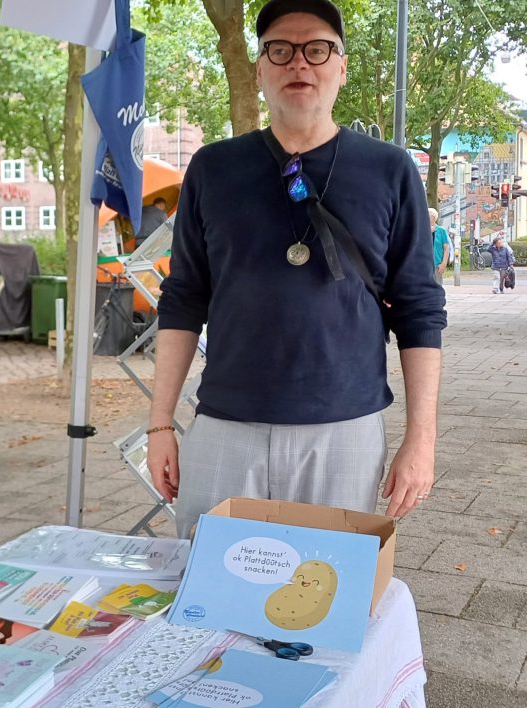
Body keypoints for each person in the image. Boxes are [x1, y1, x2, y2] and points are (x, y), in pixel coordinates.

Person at [148, 0, 447, 539]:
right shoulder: (214, 168)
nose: (299, 65)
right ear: (259, 68)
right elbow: (183, 298)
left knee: (324, 594)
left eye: (317, 49)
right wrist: (160, 424)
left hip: (344, 428)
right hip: (224, 424)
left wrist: (420, 439)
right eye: (280, 51)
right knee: (211, 592)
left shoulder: (389, 169)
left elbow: (420, 308)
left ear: (342, 66)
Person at [429, 208, 452, 284]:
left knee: (437, 286)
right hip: (424, 264)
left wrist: (444, 263)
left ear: (433, 217)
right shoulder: (422, 230)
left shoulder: (441, 230)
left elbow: (446, 248)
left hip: (437, 264)